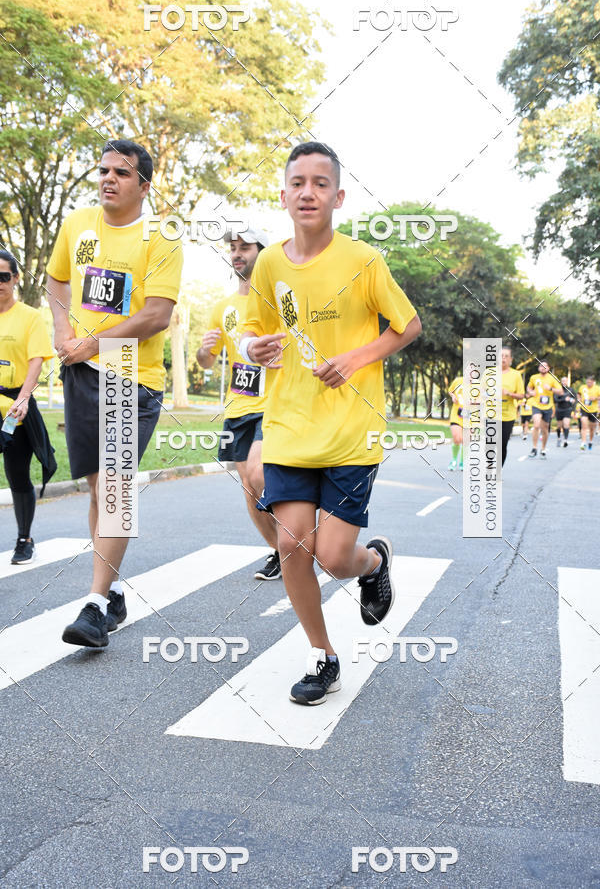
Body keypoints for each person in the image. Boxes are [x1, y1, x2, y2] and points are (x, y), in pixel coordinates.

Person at [240, 141, 421, 705]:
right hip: (291, 425)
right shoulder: (269, 263)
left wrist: (355, 359)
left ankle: (374, 561)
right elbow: (252, 328)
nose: (308, 192)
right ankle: (324, 656)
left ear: (338, 196)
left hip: (351, 432)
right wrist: (253, 348)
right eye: (298, 182)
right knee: (294, 544)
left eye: (321, 183)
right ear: (284, 194)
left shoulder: (363, 261)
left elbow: (408, 325)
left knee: (335, 558)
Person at [46, 139, 183, 648]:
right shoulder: (77, 223)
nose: (108, 179)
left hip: (131, 371)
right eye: (102, 170)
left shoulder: (162, 236)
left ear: (143, 185)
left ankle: (95, 605)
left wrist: (91, 342)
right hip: (81, 371)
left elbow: (156, 315)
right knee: (98, 489)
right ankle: (114, 590)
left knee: (114, 491)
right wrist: (63, 332)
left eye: (121, 173)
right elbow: (57, 279)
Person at [196, 227, 281, 580]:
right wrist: (204, 349)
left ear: (262, 251)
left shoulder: (277, 298)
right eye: (233, 247)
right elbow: (205, 361)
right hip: (238, 407)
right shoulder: (223, 307)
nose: (237, 253)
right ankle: (281, 551)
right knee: (249, 487)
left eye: (245, 246)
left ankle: (300, 538)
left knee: (260, 475)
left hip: (274, 402)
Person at [0, 250, 56, 563]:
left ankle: (24, 538)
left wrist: (23, 398)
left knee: (17, 473)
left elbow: (37, 359)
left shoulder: (30, 317)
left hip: (13, 409)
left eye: (4, 277)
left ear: (16, 278)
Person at [526, 361, 560, 459]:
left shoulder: (552, 378)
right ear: (538, 368)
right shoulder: (534, 377)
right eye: (541, 365)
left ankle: (543, 449)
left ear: (548, 368)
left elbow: (560, 391)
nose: (542, 367)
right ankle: (534, 448)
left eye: (545, 366)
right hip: (536, 405)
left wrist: (550, 389)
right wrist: (531, 392)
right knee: (536, 425)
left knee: (545, 429)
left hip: (548, 406)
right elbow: (529, 387)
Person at [500, 347, 525, 466]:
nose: (503, 358)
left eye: (506, 356)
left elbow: (521, 395)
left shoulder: (516, 375)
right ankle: (489, 463)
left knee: (503, 443)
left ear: (511, 359)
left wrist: (510, 393)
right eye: (501, 355)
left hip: (508, 414)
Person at [578, 375, 600, 451]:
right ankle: (583, 442)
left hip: (593, 410)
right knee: (584, 425)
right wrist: (579, 400)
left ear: (593, 382)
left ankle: (590, 441)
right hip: (584, 409)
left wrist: (596, 398)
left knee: (592, 428)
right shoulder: (582, 387)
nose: (588, 384)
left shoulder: (597, 388)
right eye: (587, 382)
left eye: (590, 382)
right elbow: (579, 395)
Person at [553, 377, 576, 447]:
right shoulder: (558, 390)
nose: (564, 382)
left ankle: (565, 440)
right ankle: (559, 438)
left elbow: (575, 399)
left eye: (565, 381)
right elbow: (555, 400)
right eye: (563, 381)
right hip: (559, 410)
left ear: (567, 382)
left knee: (566, 424)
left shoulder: (571, 390)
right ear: (560, 382)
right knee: (559, 426)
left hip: (567, 409)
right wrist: (564, 399)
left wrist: (573, 409)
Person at [447, 375, 464, 470]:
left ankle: (462, 462)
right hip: (456, 415)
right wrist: (453, 396)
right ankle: (454, 460)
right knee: (457, 438)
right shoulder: (458, 381)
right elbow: (450, 390)